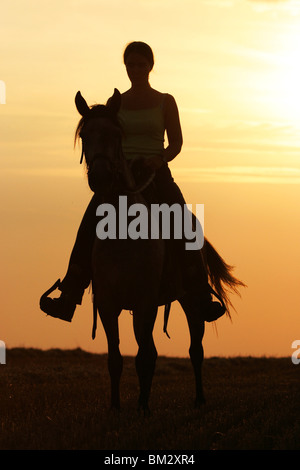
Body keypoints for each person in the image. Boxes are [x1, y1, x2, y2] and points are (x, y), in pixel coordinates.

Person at [40, 41, 225, 322]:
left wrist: (158, 158)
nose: (136, 69)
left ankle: (200, 295)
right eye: (131, 65)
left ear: (151, 67)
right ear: (125, 67)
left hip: (157, 174)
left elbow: (176, 143)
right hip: (121, 176)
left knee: (187, 224)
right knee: (89, 224)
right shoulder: (117, 104)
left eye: (141, 64)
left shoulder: (165, 101)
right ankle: (70, 294)